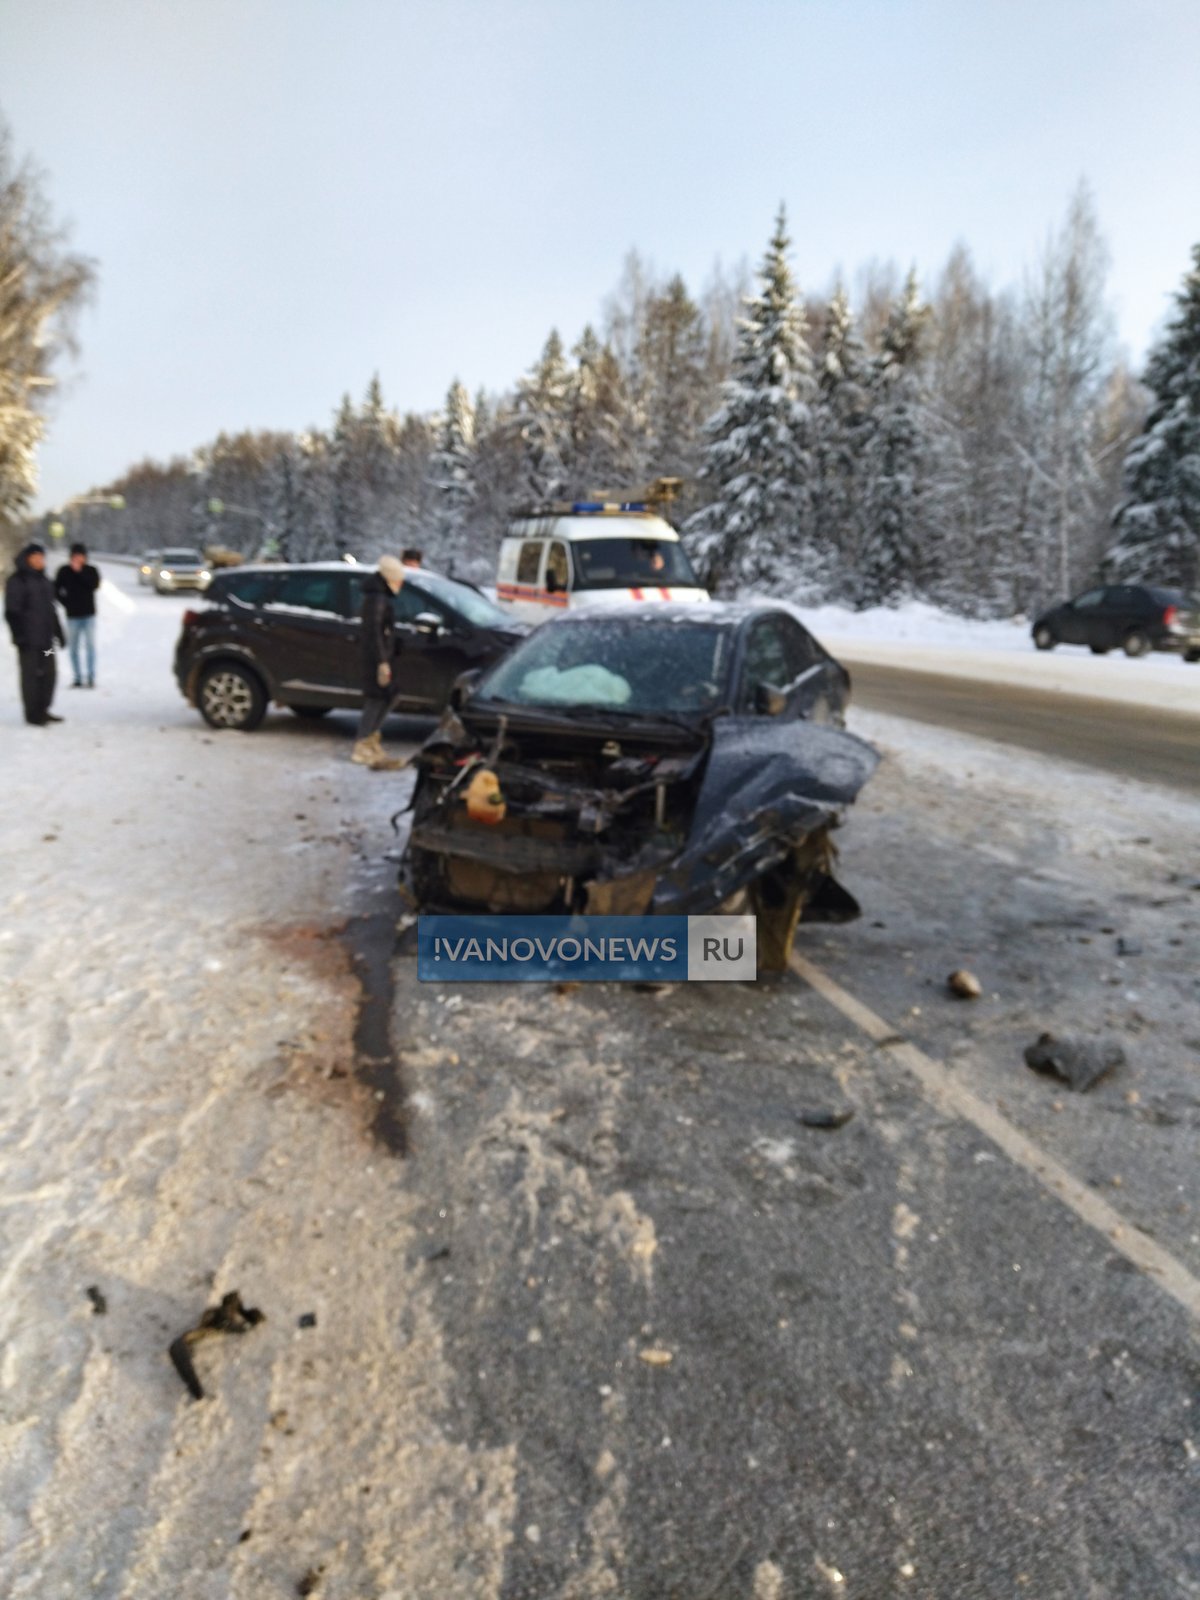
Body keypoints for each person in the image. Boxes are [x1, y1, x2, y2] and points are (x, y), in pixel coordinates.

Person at [351, 554, 406, 770]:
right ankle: (363, 744)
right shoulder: (377, 600)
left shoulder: (379, 597)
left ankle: (370, 739)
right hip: (376, 659)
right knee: (377, 698)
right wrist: (382, 662)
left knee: (386, 696)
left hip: (380, 657)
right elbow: (374, 632)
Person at [5, 542, 66, 725]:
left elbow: (51, 609)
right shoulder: (17, 580)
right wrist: (20, 636)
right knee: (31, 676)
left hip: (47, 642)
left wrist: (59, 632)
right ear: (28, 559)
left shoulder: (44, 580)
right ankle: (33, 714)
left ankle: (44, 709)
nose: (40, 560)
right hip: (29, 642)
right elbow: (11, 612)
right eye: (36, 557)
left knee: (49, 674)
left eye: (42, 557)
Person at [54, 542, 102, 687]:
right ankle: (77, 678)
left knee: (90, 647)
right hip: (72, 616)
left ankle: (91, 677)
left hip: (89, 615)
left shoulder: (91, 570)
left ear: (85, 557)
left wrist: (80, 572)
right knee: (73, 648)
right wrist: (66, 603)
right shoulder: (64, 571)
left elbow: (94, 585)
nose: (78, 558)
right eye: (75, 556)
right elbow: (56, 589)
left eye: (80, 556)